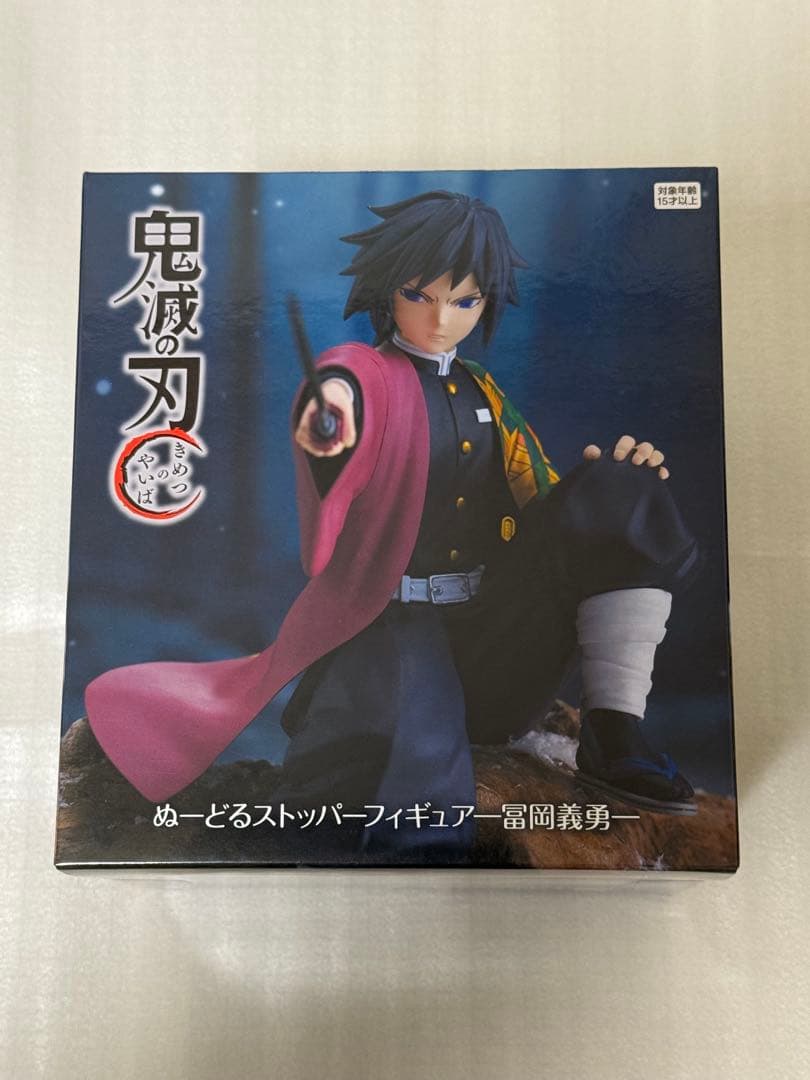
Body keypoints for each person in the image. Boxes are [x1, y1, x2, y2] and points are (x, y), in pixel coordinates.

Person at [86, 190, 698, 865]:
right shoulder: (369, 373)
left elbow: (549, 509)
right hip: (396, 631)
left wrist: (618, 489)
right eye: (420, 295)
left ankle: (616, 732)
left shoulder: (484, 393)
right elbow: (342, 385)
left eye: (464, 301)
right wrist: (331, 417)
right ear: (389, 290)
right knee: (412, 798)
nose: (440, 318)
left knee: (619, 488)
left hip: (493, 637)